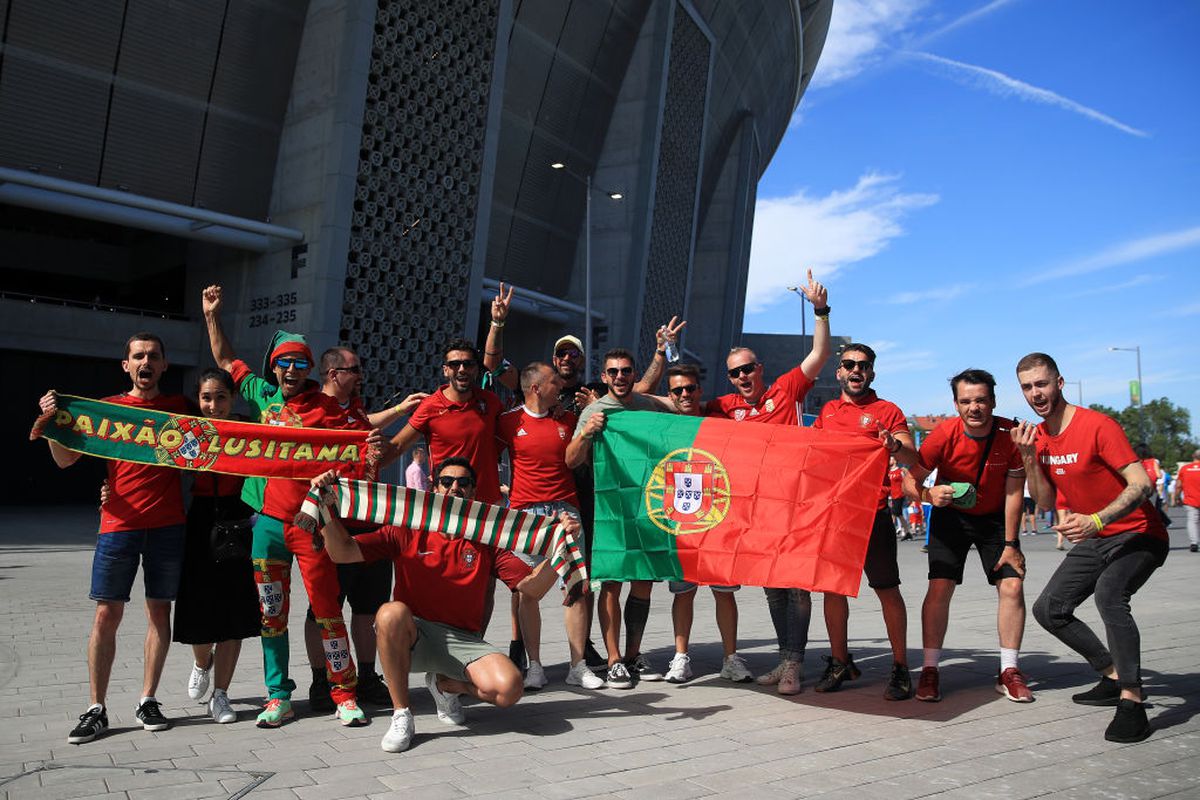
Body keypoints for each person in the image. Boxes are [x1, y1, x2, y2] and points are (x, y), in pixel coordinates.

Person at [309, 458, 561, 753]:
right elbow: (343, 552)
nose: (455, 487)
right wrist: (324, 508)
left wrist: (561, 551)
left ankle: (445, 686)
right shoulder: (408, 528)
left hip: (462, 640)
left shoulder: (485, 539)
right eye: (447, 482)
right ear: (434, 487)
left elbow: (533, 588)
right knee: (390, 613)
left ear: (473, 492)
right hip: (413, 636)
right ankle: (402, 714)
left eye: (463, 483)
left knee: (510, 690)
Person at [202, 284, 369, 728]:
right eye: (284, 362)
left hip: (311, 526)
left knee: (328, 611)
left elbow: (362, 445)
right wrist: (212, 316)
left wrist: (357, 460)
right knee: (270, 615)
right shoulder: (261, 396)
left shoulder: (328, 406)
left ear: (310, 369)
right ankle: (278, 696)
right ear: (274, 369)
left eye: (299, 363)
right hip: (268, 527)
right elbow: (225, 361)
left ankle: (344, 693)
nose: (291, 369)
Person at [39, 333, 188, 743]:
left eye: (153, 356)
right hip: (117, 525)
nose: (146, 362)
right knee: (107, 614)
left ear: (164, 364)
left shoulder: (180, 410)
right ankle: (96, 708)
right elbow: (66, 460)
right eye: (138, 356)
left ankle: (148, 699)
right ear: (126, 365)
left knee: (160, 612)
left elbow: (224, 440)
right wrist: (55, 425)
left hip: (167, 525)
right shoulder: (105, 411)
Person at [1013, 352, 1168, 743]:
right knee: (1050, 609)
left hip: (1139, 533)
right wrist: (1030, 457)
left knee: (1110, 596)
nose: (1036, 393)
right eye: (1028, 387)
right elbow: (1046, 504)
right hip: (1096, 537)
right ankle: (1112, 674)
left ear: (1059, 383)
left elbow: (1142, 484)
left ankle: (1132, 699)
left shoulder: (1098, 425)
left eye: (1042, 384)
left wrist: (1097, 519)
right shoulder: (1041, 438)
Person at [704, 269, 830, 694]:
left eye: (747, 369)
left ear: (760, 368)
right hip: (757, 511)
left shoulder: (786, 389)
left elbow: (818, 355)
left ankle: (795, 664)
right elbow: (676, 407)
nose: (742, 377)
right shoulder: (724, 406)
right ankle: (782, 658)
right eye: (735, 373)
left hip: (795, 503)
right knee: (773, 588)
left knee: (797, 585)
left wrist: (820, 311)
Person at [307, 346, 426, 711]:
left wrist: (400, 410)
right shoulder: (312, 410)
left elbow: (364, 425)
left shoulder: (353, 408)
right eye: (354, 368)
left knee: (368, 606)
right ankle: (321, 680)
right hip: (333, 522)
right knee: (324, 607)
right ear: (333, 373)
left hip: (370, 520)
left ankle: (367, 675)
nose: (360, 374)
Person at [907, 369, 1032, 703]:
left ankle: (1009, 670)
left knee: (1013, 584)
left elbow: (1014, 492)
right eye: (966, 401)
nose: (973, 407)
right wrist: (929, 495)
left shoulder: (1011, 434)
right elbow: (910, 481)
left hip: (994, 519)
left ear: (993, 401)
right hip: (952, 518)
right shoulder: (943, 434)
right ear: (955, 404)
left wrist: (1010, 543)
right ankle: (930, 669)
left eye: (980, 400)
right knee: (940, 586)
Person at [811, 343, 916, 700]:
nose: (856, 370)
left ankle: (901, 667)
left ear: (872, 372)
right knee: (832, 590)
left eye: (863, 365)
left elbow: (910, 451)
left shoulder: (887, 410)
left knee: (886, 590)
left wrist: (893, 445)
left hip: (873, 513)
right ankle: (840, 661)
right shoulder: (828, 410)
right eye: (849, 365)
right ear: (839, 372)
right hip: (836, 515)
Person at [566, 347, 674, 688]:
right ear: (604, 376)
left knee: (642, 582)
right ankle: (613, 660)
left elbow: (680, 412)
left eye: (626, 371)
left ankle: (632, 655)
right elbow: (570, 460)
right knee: (611, 584)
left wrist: (663, 357)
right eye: (613, 372)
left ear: (633, 374)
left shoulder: (645, 405)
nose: (620, 377)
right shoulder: (595, 411)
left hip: (646, 507)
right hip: (610, 510)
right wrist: (587, 432)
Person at [496, 362, 603, 690]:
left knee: (575, 589)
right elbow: (481, 453)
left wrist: (593, 410)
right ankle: (536, 667)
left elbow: (583, 456)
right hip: (526, 515)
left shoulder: (569, 420)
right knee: (528, 590)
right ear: (536, 388)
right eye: (554, 381)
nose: (561, 386)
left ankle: (578, 666)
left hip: (567, 512)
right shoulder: (507, 421)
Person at [173, 369, 261, 724]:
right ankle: (201, 661)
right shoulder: (184, 430)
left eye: (221, 397)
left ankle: (221, 695)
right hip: (200, 520)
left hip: (238, 518)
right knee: (197, 604)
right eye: (206, 398)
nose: (213, 405)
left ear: (233, 398)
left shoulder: (248, 430)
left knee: (234, 609)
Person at [660, 364, 753, 684]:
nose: (685, 395)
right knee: (682, 593)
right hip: (680, 523)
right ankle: (680, 658)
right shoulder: (663, 427)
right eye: (677, 391)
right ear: (669, 395)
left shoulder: (720, 423)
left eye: (690, 388)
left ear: (700, 390)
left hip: (718, 521)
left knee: (724, 592)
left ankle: (731, 658)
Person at [1171, 449, 1200, 552]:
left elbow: (1178, 485)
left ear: (1193, 456)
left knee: (1193, 520)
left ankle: (1194, 542)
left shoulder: (1185, 469)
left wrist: (1176, 497)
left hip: (1190, 499)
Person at [887, 458, 912, 540]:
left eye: (891, 459)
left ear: (894, 461)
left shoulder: (900, 471)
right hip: (892, 496)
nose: (889, 461)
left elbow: (905, 482)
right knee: (899, 515)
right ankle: (907, 532)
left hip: (899, 495)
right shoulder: (889, 471)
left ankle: (890, 533)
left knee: (894, 514)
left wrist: (907, 494)